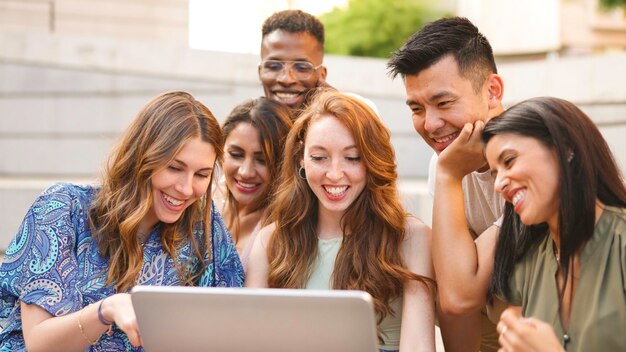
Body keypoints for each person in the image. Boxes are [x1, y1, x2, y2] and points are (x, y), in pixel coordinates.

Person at [0, 91, 244, 351]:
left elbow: (235, 323)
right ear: (142, 158)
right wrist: (106, 310)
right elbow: (40, 344)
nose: (186, 188)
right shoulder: (63, 208)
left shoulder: (203, 227)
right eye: (174, 168)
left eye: (202, 174)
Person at [245, 90, 436, 352]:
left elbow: (419, 347)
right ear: (301, 158)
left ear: (371, 160)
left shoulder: (410, 237)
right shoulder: (271, 240)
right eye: (319, 157)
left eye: (352, 157)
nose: (335, 174)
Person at [387, 16, 507, 351]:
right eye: (417, 108)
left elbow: (459, 295)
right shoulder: (445, 161)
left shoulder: (533, 157)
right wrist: (446, 171)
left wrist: (449, 174)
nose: (431, 124)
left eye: (443, 103)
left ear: (492, 91)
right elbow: (453, 300)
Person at [481, 97, 626, 352]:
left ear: (566, 148)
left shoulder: (620, 243)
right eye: (494, 173)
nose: (498, 184)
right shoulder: (529, 265)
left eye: (509, 160)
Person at [217, 97, 292, 272]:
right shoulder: (203, 201)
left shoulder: (283, 231)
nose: (246, 172)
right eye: (236, 154)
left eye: (262, 160)